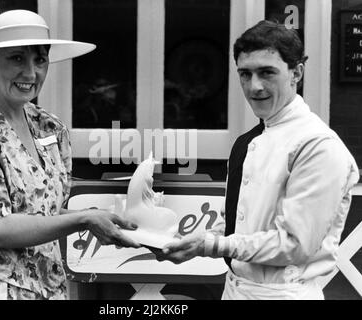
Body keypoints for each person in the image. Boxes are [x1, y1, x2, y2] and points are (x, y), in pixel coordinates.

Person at [0, 10, 140, 300]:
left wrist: (92, 216)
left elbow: (40, 213)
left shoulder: (50, 127)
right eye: (17, 58)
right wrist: (82, 220)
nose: (31, 73)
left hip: (47, 290)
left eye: (40, 59)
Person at [152, 20, 360, 300]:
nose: (255, 86)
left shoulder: (317, 145)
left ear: (296, 72)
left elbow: (295, 245)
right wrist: (194, 241)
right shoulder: (248, 141)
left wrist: (211, 245)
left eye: (267, 73)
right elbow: (242, 225)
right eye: (245, 74)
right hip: (234, 289)